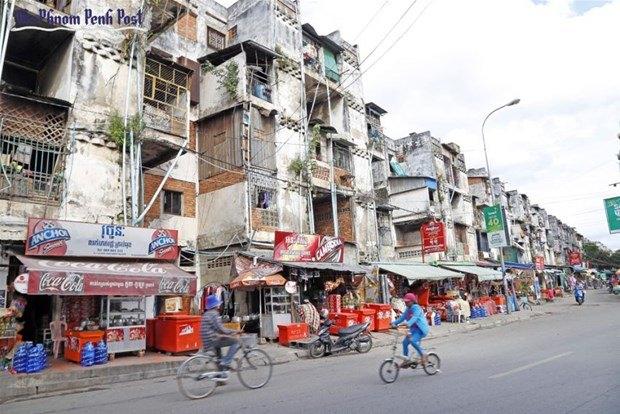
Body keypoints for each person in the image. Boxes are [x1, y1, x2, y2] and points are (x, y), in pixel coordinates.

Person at [200, 294, 240, 381]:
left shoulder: (206, 314)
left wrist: (225, 334)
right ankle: (226, 362)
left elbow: (217, 330)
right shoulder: (214, 313)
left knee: (219, 358)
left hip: (207, 341)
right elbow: (221, 329)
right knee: (235, 341)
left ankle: (220, 377)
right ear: (216, 305)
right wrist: (234, 331)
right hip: (212, 340)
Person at [391, 292, 430, 366]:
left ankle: (423, 354)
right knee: (405, 343)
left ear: (412, 301)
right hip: (412, 329)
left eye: (407, 302)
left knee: (412, 341)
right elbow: (402, 317)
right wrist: (394, 323)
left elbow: (415, 317)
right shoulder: (408, 309)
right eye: (405, 301)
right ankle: (406, 359)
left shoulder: (417, 308)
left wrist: (408, 324)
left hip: (420, 329)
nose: (406, 303)